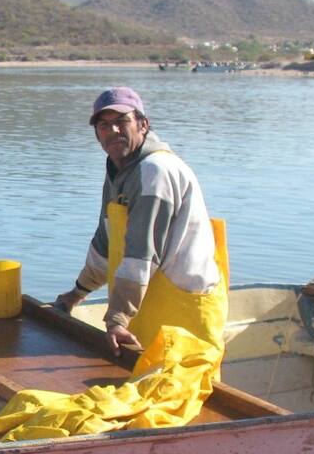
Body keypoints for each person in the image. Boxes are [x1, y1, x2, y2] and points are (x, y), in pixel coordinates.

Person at [53, 86, 228, 358]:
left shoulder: (155, 171)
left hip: (185, 309)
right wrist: (77, 293)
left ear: (143, 125)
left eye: (121, 122)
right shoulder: (118, 169)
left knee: (186, 394)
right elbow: (107, 242)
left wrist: (118, 317)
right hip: (151, 305)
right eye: (103, 125)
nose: (112, 131)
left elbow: (141, 254)